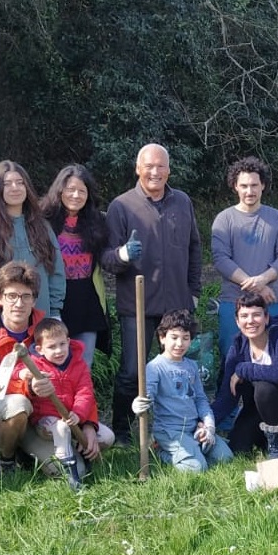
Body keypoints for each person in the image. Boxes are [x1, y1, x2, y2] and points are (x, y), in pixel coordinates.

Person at [103, 143, 202, 446]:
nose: (155, 172)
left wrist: (194, 292)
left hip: (177, 303)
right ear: (138, 169)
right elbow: (106, 258)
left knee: (178, 369)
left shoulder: (182, 201)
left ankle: (175, 426)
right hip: (137, 304)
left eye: (161, 166)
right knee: (133, 371)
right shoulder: (122, 206)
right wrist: (123, 254)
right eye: (149, 166)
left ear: (169, 170)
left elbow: (194, 248)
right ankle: (122, 431)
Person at [0, 261, 59, 478]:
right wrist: (27, 384)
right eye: (11, 296)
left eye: (26, 296)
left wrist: (87, 424)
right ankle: (6, 461)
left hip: (39, 413)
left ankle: (24, 448)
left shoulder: (46, 328)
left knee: (66, 469)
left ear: (34, 300)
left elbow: (68, 373)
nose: (19, 303)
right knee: (18, 404)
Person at [210, 293, 278, 457]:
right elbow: (227, 397)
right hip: (257, 410)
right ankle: (265, 439)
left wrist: (242, 369)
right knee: (237, 448)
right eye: (244, 316)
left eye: (256, 315)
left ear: (266, 318)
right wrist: (206, 423)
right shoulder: (237, 347)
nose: (250, 321)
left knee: (264, 387)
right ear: (237, 322)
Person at [211, 156, 278, 368]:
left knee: (275, 358)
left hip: (272, 300)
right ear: (235, 187)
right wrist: (256, 286)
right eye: (244, 186)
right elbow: (221, 259)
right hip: (233, 300)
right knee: (232, 357)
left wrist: (264, 279)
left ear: (263, 185)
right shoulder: (224, 219)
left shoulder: (276, 218)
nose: (250, 191)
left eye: (254, 185)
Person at [18, 318, 115, 489]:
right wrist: (24, 375)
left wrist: (79, 414)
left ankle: (82, 453)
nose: (58, 351)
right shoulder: (35, 366)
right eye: (51, 347)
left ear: (69, 341)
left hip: (72, 418)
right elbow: (15, 373)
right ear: (40, 349)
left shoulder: (79, 364)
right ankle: (72, 475)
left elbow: (85, 393)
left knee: (107, 437)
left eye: (62, 344)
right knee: (61, 429)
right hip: (46, 422)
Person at [132, 310, 233, 473]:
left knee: (225, 458)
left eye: (185, 338)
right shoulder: (155, 367)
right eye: (174, 337)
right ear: (162, 337)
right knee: (197, 469)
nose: (180, 344)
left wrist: (209, 427)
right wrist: (138, 404)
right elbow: (147, 397)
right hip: (169, 431)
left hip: (194, 428)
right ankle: (161, 451)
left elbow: (200, 399)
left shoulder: (191, 366)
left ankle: (195, 449)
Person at [0, 160, 66, 318]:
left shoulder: (42, 226)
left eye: (20, 182)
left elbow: (55, 272)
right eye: (7, 184)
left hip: (39, 317)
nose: (15, 188)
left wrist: (54, 313)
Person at [40, 164, 110, 366]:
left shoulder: (97, 221)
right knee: (53, 365)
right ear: (60, 190)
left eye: (82, 191)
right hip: (55, 300)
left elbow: (106, 257)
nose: (76, 195)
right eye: (71, 189)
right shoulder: (43, 219)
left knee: (83, 365)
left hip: (87, 301)